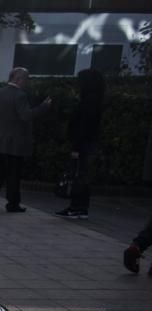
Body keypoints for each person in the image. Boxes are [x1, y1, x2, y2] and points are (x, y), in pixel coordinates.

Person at [0, 67, 52, 213]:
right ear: (18, 79)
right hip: (14, 142)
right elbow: (26, 116)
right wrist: (43, 107)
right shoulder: (20, 95)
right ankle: (13, 203)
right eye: (26, 78)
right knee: (13, 175)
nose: (27, 82)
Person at [56, 69, 105, 220]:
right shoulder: (94, 100)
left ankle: (78, 206)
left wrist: (76, 147)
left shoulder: (88, 101)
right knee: (81, 175)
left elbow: (83, 126)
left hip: (84, 144)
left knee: (79, 174)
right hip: (88, 143)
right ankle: (78, 206)